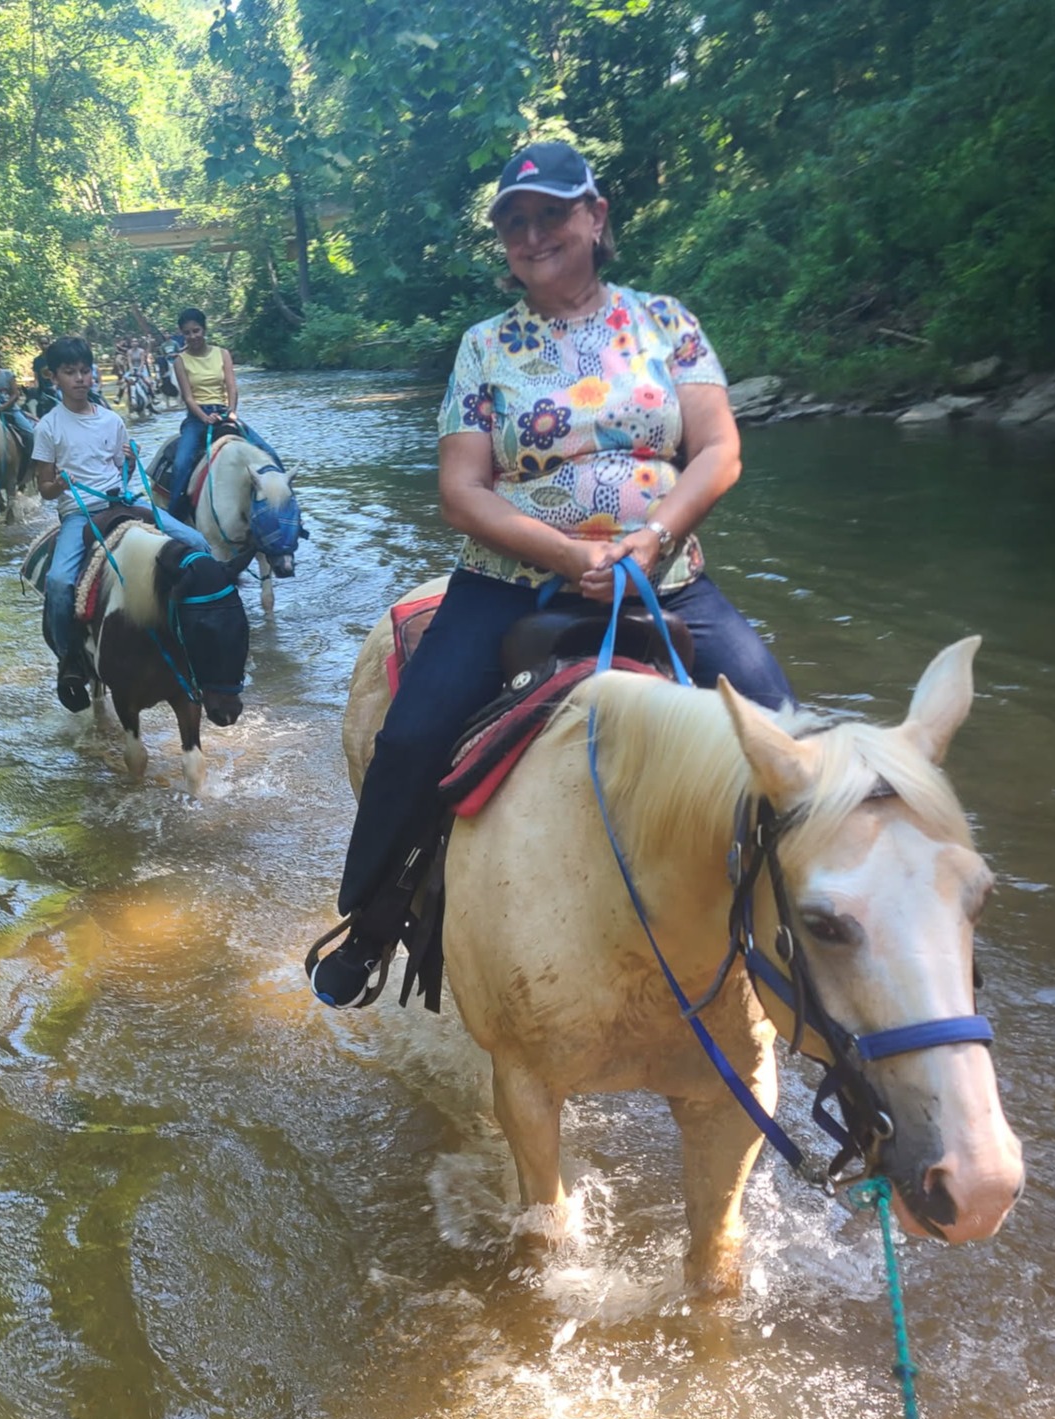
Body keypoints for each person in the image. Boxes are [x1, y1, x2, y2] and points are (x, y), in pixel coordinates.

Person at [307, 138, 797, 1008]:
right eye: (515, 223)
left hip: (664, 572)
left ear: (595, 217)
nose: (533, 235)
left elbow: (718, 449)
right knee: (412, 739)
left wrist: (652, 540)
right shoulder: (484, 346)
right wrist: (569, 556)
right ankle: (372, 921)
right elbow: (462, 490)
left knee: (783, 732)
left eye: (552, 214)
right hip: (508, 580)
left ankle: (800, 951)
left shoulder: (666, 322)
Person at [30, 335, 214, 712]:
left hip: (123, 502)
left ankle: (203, 635)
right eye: (70, 373)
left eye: (85, 371)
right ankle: (70, 660)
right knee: (60, 582)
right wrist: (59, 484)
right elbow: (45, 488)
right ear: (55, 378)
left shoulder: (112, 420)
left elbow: (122, 473)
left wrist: (130, 461)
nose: (80, 379)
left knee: (198, 544)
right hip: (79, 513)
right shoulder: (48, 427)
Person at [165, 308, 240, 516]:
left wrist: (232, 412)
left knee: (265, 451)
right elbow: (188, 397)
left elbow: (232, 387)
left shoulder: (222, 354)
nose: (192, 336)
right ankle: (174, 516)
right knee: (181, 463)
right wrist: (204, 417)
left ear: (204, 329)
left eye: (196, 330)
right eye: (187, 333)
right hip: (197, 417)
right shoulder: (180, 360)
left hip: (225, 413)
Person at [0, 346, 35, 447]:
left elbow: (15, 394)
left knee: (30, 433)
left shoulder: (7, 374)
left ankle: (32, 461)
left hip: (12, 411)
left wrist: (4, 406)